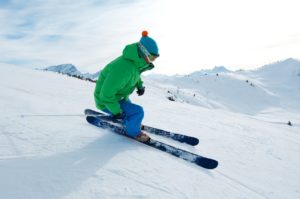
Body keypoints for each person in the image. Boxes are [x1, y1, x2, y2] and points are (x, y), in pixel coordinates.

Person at [94, 31, 159, 142]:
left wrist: (140, 86)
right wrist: (116, 112)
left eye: (155, 58)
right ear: (144, 52)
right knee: (138, 111)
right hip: (106, 101)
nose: (153, 60)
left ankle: (131, 122)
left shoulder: (134, 63)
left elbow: (135, 76)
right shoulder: (122, 69)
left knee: (131, 110)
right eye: (152, 57)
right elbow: (106, 94)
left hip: (119, 97)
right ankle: (133, 132)